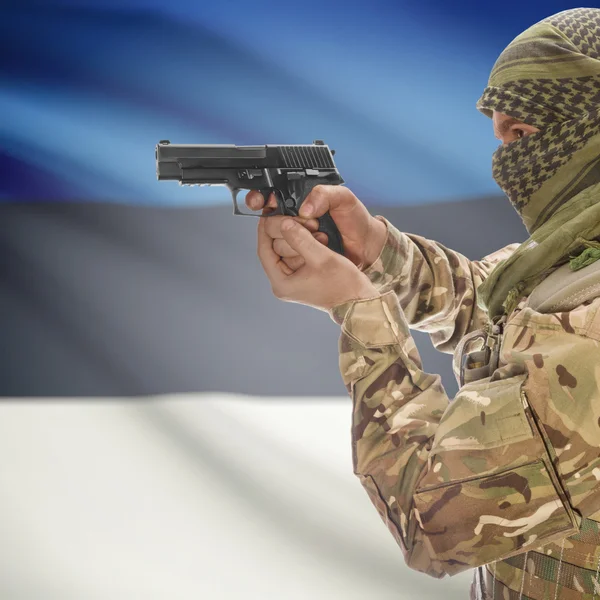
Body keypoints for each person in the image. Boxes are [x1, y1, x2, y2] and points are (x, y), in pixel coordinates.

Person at [246, 7, 600, 599]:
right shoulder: (574, 257)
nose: (505, 163)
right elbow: (498, 310)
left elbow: (433, 522)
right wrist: (378, 251)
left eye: (522, 135)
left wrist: (359, 310)